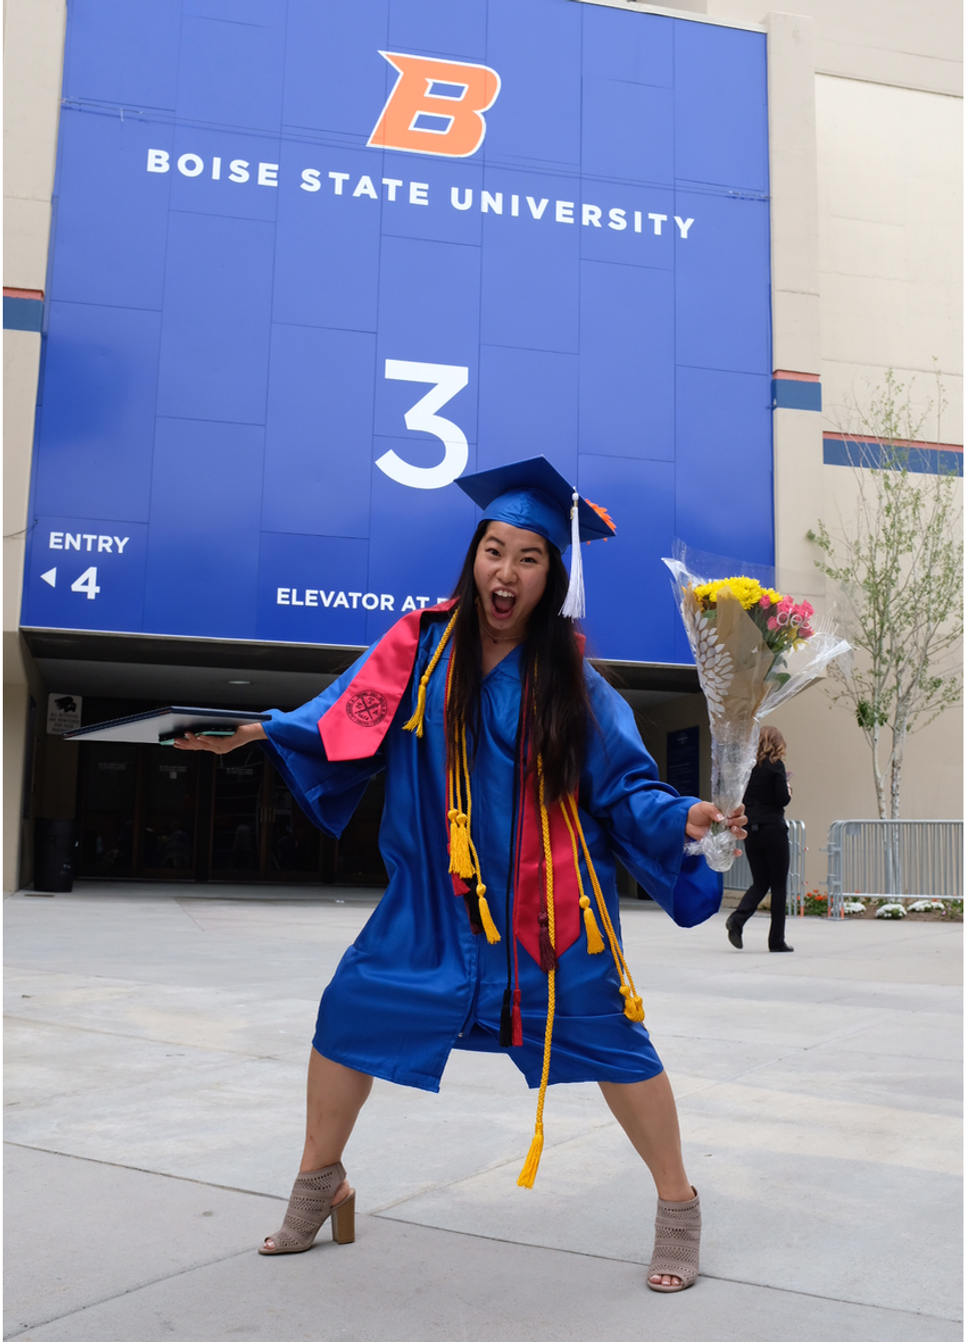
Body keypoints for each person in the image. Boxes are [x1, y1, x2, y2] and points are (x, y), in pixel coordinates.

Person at [175, 457, 746, 1293]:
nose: (505, 572)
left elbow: (626, 788)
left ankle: (679, 1207)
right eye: (494, 550)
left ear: (551, 578)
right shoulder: (419, 645)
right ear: (474, 556)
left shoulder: (574, 682)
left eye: (529, 557)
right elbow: (341, 719)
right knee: (348, 1013)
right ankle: (320, 1182)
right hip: (432, 904)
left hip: (548, 912)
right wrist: (261, 731)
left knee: (617, 1046)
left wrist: (684, 816)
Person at [725, 725, 794, 953]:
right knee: (778, 886)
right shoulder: (776, 766)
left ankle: (737, 919)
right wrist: (788, 789)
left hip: (751, 831)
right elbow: (781, 799)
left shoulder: (747, 770)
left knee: (760, 882)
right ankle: (776, 941)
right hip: (773, 830)